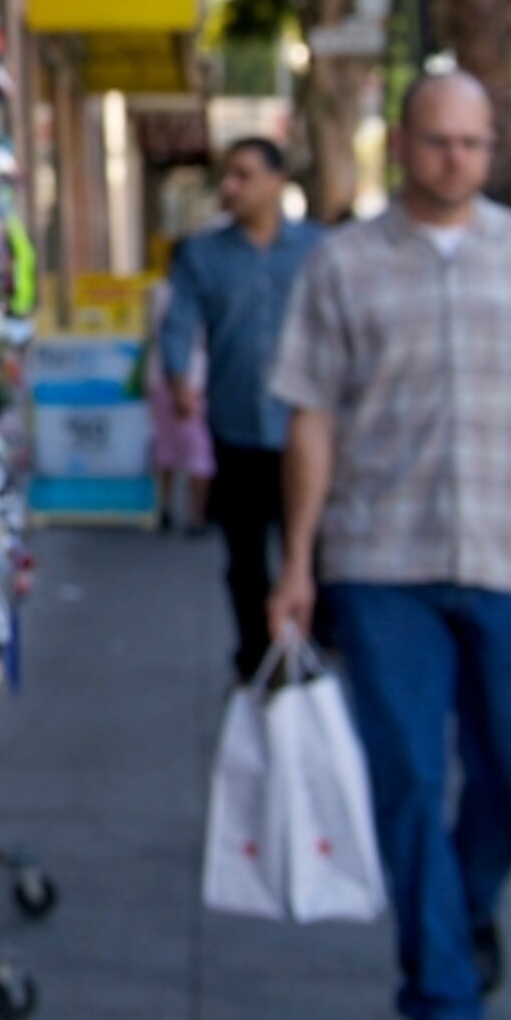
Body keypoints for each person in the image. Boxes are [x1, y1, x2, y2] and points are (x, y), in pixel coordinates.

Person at [267, 71, 511, 1020]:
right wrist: (295, 563)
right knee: (411, 779)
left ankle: (463, 907)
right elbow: (312, 418)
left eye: (472, 141)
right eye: (437, 141)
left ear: (490, 142)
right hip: (383, 560)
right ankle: (443, 1002)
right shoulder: (342, 265)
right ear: (404, 144)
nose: (455, 159)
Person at [156, 139, 321, 674]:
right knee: (246, 555)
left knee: (313, 545)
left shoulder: (318, 249)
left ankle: (311, 645)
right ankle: (258, 657)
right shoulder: (204, 255)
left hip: (309, 429)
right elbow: (179, 321)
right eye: (228, 175)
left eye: (244, 175)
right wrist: (180, 376)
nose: (231, 187)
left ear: (276, 182)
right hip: (239, 424)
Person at [144, 252, 215, 537]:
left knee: (168, 446)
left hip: (161, 377)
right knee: (196, 449)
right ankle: (195, 515)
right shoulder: (200, 294)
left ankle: (166, 509)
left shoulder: (157, 292)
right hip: (192, 379)